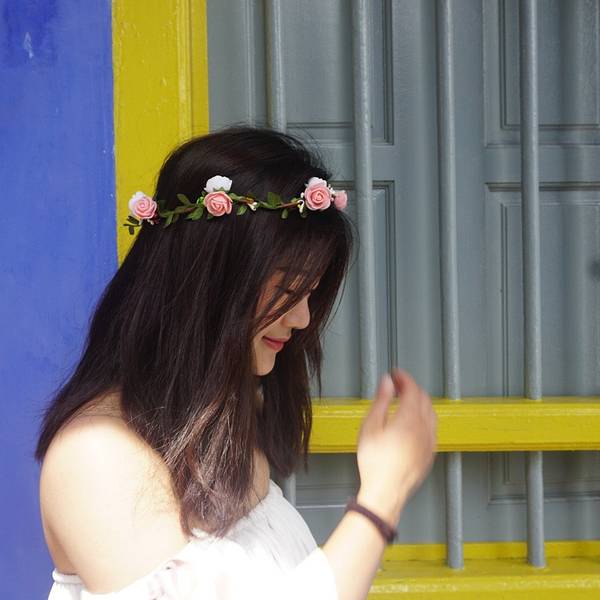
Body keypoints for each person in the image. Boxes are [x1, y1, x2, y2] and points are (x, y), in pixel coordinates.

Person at [35, 125, 437, 600]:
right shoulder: (96, 453)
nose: (303, 318)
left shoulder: (222, 419)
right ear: (208, 279)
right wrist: (381, 497)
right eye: (287, 289)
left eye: (310, 293)